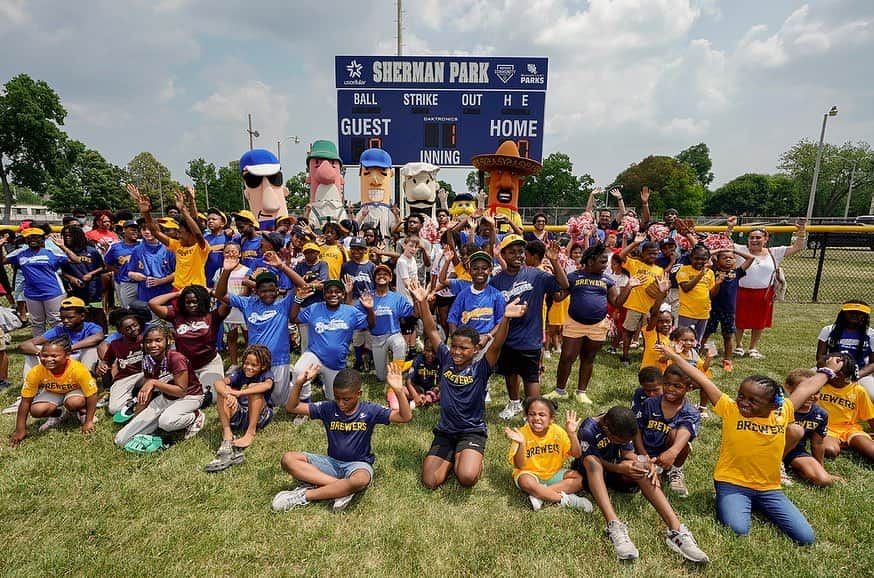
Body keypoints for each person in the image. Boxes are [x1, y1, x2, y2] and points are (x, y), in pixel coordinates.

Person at [657, 344, 845, 545]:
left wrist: (829, 371)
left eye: (752, 400)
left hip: (768, 487)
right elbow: (701, 378)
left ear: (773, 405)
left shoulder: (782, 412)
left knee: (806, 538)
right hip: (732, 483)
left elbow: (807, 387)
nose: (743, 403)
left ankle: (753, 503)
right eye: (741, 396)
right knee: (738, 529)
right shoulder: (731, 410)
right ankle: (732, 499)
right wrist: (674, 356)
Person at [409, 278, 527, 490]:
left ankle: (468, 457)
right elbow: (432, 331)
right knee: (429, 481)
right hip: (446, 430)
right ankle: (453, 454)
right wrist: (423, 303)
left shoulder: (481, 367)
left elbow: (497, 345)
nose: (456, 352)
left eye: (463, 348)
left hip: (472, 431)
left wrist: (506, 319)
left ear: (475, 350)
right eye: (454, 346)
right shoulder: (445, 358)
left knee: (466, 478)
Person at [572, 406, 709, 563]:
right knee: (592, 461)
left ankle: (676, 530)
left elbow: (627, 454)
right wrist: (619, 468)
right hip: (590, 475)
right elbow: (589, 461)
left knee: (642, 468)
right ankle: (614, 525)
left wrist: (644, 462)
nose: (622, 443)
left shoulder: (623, 424)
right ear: (606, 430)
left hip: (613, 471)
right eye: (618, 440)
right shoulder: (588, 429)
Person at [273, 362, 412, 512]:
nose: (340, 403)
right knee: (289, 459)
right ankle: (342, 488)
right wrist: (300, 382)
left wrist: (398, 390)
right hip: (331, 463)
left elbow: (405, 417)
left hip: (358, 465)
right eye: (337, 397)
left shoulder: (370, 410)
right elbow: (292, 407)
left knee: (361, 480)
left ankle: (306, 495)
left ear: (359, 394)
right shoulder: (328, 408)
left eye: (346, 399)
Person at [547, 244, 639, 404]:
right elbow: (558, 297)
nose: (606, 266)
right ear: (590, 261)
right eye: (603, 262)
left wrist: (629, 287)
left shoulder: (607, 280)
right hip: (574, 324)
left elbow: (617, 302)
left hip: (597, 326)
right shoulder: (574, 277)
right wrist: (554, 271)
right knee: (566, 357)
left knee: (588, 358)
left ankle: (581, 392)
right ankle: (559, 390)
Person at [490, 236, 568, 419]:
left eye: (520, 251)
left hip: (530, 338)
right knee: (510, 373)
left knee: (530, 377)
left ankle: (533, 411)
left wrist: (555, 262)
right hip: (507, 338)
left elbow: (564, 285)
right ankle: (514, 404)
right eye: (511, 252)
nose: (517, 255)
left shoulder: (536, 275)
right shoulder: (496, 282)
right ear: (503, 255)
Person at [214, 252, 305, 406]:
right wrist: (227, 271)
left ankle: (290, 380)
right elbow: (220, 294)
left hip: (279, 361)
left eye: (272, 290)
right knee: (254, 399)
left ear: (278, 290)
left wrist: (281, 266)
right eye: (263, 290)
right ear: (256, 291)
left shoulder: (283, 303)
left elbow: (302, 285)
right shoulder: (248, 303)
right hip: (255, 363)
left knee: (278, 403)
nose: (268, 293)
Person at [114, 326, 206, 447]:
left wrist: (154, 382)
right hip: (166, 398)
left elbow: (181, 391)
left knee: (166, 422)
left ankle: (195, 415)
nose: (153, 345)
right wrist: (137, 417)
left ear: (167, 341)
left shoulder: (176, 358)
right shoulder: (147, 360)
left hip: (189, 397)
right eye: (148, 341)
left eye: (158, 340)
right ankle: (157, 421)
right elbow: (147, 391)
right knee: (121, 440)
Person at [730, 219, 807, 358]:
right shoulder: (740, 249)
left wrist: (801, 231)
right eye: (752, 237)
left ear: (765, 239)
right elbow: (724, 242)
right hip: (741, 291)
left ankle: (753, 348)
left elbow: (797, 247)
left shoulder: (774, 252)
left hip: (764, 293)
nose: (754, 240)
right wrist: (730, 227)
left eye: (758, 237)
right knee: (739, 320)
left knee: (759, 321)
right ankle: (739, 345)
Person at [290, 279, 374, 401]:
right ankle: (304, 402)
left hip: (336, 362)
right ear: (324, 295)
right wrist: (298, 300)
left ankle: (327, 388)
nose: (333, 294)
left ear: (343, 295)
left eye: (337, 292)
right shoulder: (315, 308)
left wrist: (370, 309)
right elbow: (294, 318)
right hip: (315, 355)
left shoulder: (350, 311)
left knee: (333, 399)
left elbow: (370, 324)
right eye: (329, 292)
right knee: (299, 371)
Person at [504, 398, 591, 511]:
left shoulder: (558, 432)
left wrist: (572, 434)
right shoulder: (521, 434)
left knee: (579, 479)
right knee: (525, 481)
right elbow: (520, 466)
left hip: (554, 473)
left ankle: (540, 495)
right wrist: (521, 444)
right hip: (529, 474)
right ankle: (566, 500)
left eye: (542, 414)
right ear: (527, 417)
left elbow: (577, 454)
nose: (536, 418)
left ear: (551, 419)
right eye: (532, 414)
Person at [10, 337, 98, 447]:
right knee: (36, 410)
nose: (48, 359)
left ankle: (81, 411)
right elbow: (26, 401)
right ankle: (58, 414)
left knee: (73, 402)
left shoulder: (78, 370)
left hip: (74, 389)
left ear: (67, 355)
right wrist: (20, 429)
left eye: (54, 356)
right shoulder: (36, 372)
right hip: (54, 390)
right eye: (44, 355)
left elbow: (92, 395)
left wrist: (88, 422)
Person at [149, 285, 230, 405]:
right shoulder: (176, 316)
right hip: (184, 366)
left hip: (208, 363)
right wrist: (178, 293)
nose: (191, 305)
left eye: (195, 302)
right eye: (188, 302)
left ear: (202, 301)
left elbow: (228, 302)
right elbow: (153, 303)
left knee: (212, 397)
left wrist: (211, 292)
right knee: (174, 392)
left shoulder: (213, 316)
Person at [205, 345, 275, 472]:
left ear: (263, 367)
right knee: (223, 391)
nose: (249, 367)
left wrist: (239, 393)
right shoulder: (239, 373)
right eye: (246, 363)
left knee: (253, 387)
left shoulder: (267, 374)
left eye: (254, 365)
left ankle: (250, 432)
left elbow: (266, 386)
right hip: (242, 413)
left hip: (260, 415)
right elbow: (218, 383)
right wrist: (228, 394)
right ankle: (227, 434)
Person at [633, 364, 700, 498]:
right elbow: (637, 430)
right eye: (667, 384)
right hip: (644, 452)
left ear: (689, 388)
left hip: (668, 453)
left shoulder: (690, 411)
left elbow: (685, 431)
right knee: (630, 479)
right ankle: (651, 470)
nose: (670, 389)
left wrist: (672, 452)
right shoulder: (650, 403)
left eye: (677, 386)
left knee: (680, 439)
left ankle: (675, 471)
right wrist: (644, 456)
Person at [2, 227, 83, 336]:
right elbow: (2, 261)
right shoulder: (20, 253)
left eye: (35, 237)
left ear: (42, 239)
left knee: (56, 320)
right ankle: (40, 346)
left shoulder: (51, 252)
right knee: (37, 322)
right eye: (29, 238)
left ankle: (61, 344)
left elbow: (76, 260)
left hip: (53, 292)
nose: (32, 240)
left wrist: (63, 246)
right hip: (32, 294)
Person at [129, 184, 211, 290]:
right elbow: (155, 232)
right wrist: (146, 213)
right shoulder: (177, 245)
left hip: (196, 290)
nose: (177, 235)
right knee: (153, 304)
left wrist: (183, 210)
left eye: (180, 232)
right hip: (177, 289)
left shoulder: (201, 247)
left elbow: (198, 233)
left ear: (190, 234)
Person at [782, 368, 840, 487]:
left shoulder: (820, 414)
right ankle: (776, 466)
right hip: (773, 449)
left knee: (824, 480)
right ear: (788, 387)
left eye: (816, 392)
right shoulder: (781, 407)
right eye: (807, 391)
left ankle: (795, 467)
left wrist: (821, 468)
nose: (811, 395)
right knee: (794, 430)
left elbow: (817, 444)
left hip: (796, 452)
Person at [20, 297, 104, 376]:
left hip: (82, 359)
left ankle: (87, 380)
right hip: (63, 359)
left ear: (82, 316)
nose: (65, 321)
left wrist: (70, 348)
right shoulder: (59, 329)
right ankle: (31, 387)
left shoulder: (91, 327)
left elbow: (98, 337)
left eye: (70, 317)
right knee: (31, 353)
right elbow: (24, 345)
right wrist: (40, 353)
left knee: (90, 350)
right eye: (62, 318)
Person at [617, 232, 666, 366]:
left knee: (648, 334)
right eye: (649, 253)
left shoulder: (659, 270)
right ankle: (625, 356)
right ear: (643, 253)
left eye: (655, 254)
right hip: (634, 304)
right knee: (628, 331)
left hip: (649, 307)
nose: (652, 256)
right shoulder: (635, 264)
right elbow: (621, 256)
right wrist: (636, 243)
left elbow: (661, 288)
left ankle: (647, 355)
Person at [702, 247, 754, 372]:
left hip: (728, 311)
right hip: (712, 308)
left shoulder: (736, 272)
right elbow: (705, 255)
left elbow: (751, 258)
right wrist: (721, 249)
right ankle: (697, 356)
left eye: (731, 258)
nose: (729, 259)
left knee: (728, 336)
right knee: (705, 333)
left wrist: (734, 251)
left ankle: (727, 360)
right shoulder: (713, 270)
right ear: (717, 260)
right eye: (724, 257)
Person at [816, 353, 874, 462]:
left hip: (850, 429)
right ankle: (842, 444)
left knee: (871, 450)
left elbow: (870, 417)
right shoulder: (820, 386)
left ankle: (852, 443)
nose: (819, 373)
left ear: (838, 374)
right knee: (830, 450)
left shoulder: (858, 390)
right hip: (827, 429)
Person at [364, 264, 414, 381]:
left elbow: (414, 313)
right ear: (374, 278)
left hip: (393, 334)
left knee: (400, 343)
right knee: (381, 377)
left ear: (390, 278)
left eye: (385, 274)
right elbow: (356, 314)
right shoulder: (367, 296)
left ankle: (397, 374)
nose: (381, 276)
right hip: (376, 338)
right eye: (378, 274)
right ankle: (406, 365)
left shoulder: (397, 297)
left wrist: (416, 298)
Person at [816, 301, 874, 398]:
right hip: (830, 370)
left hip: (860, 373)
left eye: (860, 313)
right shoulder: (828, 330)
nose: (855, 315)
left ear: (865, 316)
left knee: (872, 395)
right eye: (851, 312)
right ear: (843, 313)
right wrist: (832, 372)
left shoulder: (871, 335)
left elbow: (873, 363)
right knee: (805, 384)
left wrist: (856, 375)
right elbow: (820, 357)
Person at [446, 251, 506, 344]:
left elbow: (501, 322)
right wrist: (457, 340)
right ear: (470, 271)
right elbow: (452, 319)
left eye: (484, 268)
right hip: (465, 340)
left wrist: (488, 336)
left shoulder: (497, 295)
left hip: (487, 340)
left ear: (490, 271)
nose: (480, 272)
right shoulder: (463, 295)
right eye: (475, 268)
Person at [96, 311, 144, 415]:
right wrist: (103, 365)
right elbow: (107, 360)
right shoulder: (115, 344)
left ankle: (146, 397)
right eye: (128, 328)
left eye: (135, 325)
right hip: (125, 378)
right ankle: (134, 400)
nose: (133, 329)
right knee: (114, 410)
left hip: (145, 374)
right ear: (120, 331)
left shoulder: (147, 340)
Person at [60, 224, 106, 330]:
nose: (67, 238)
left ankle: (102, 332)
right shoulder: (65, 253)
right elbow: (62, 271)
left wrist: (91, 274)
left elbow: (102, 267)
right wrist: (71, 278)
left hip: (93, 287)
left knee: (96, 311)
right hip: (74, 287)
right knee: (79, 311)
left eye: (70, 235)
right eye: (65, 236)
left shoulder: (91, 251)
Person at [674, 245, 714, 346]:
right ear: (691, 258)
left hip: (703, 312)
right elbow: (686, 288)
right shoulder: (683, 270)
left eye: (703, 259)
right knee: (682, 339)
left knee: (697, 341)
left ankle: (694, 360)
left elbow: (712, 293)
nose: (700, 261)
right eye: (696, 258)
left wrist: (718, 283)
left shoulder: (710, 273)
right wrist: (701, 274)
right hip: (686, 312)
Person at [129, 221, 176, 304]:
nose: (147, 232)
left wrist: (161, 280)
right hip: (146, 292)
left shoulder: (169, 248)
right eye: (144, 229)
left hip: (166, 291)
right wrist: (135, 275)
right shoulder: (137, 250)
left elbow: (177, 272)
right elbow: (130, 272)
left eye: (150, 229)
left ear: (158, 231)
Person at [103, 220, 141, 308]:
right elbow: (107, 263)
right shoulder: (115, 246)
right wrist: (120, 272)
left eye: (137, 229)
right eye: (132, 229)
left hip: (142, 282)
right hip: (125, 282)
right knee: (127, 308)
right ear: (124, 230)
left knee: (144, 309)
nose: (135, 231)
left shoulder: (143, 244)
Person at [405, 341, 440, 407]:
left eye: (434, 352)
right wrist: (415, 396)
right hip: (418, 389)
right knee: (402, 389)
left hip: (434, 390)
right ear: (424, 350)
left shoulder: (440, 361)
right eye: (428, 350)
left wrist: (431, 394)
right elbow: (408, 381)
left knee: (447, 392)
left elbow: (442, 382)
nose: (430, 354)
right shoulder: (418, 359)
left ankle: (427, 399)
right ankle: (422, 399)